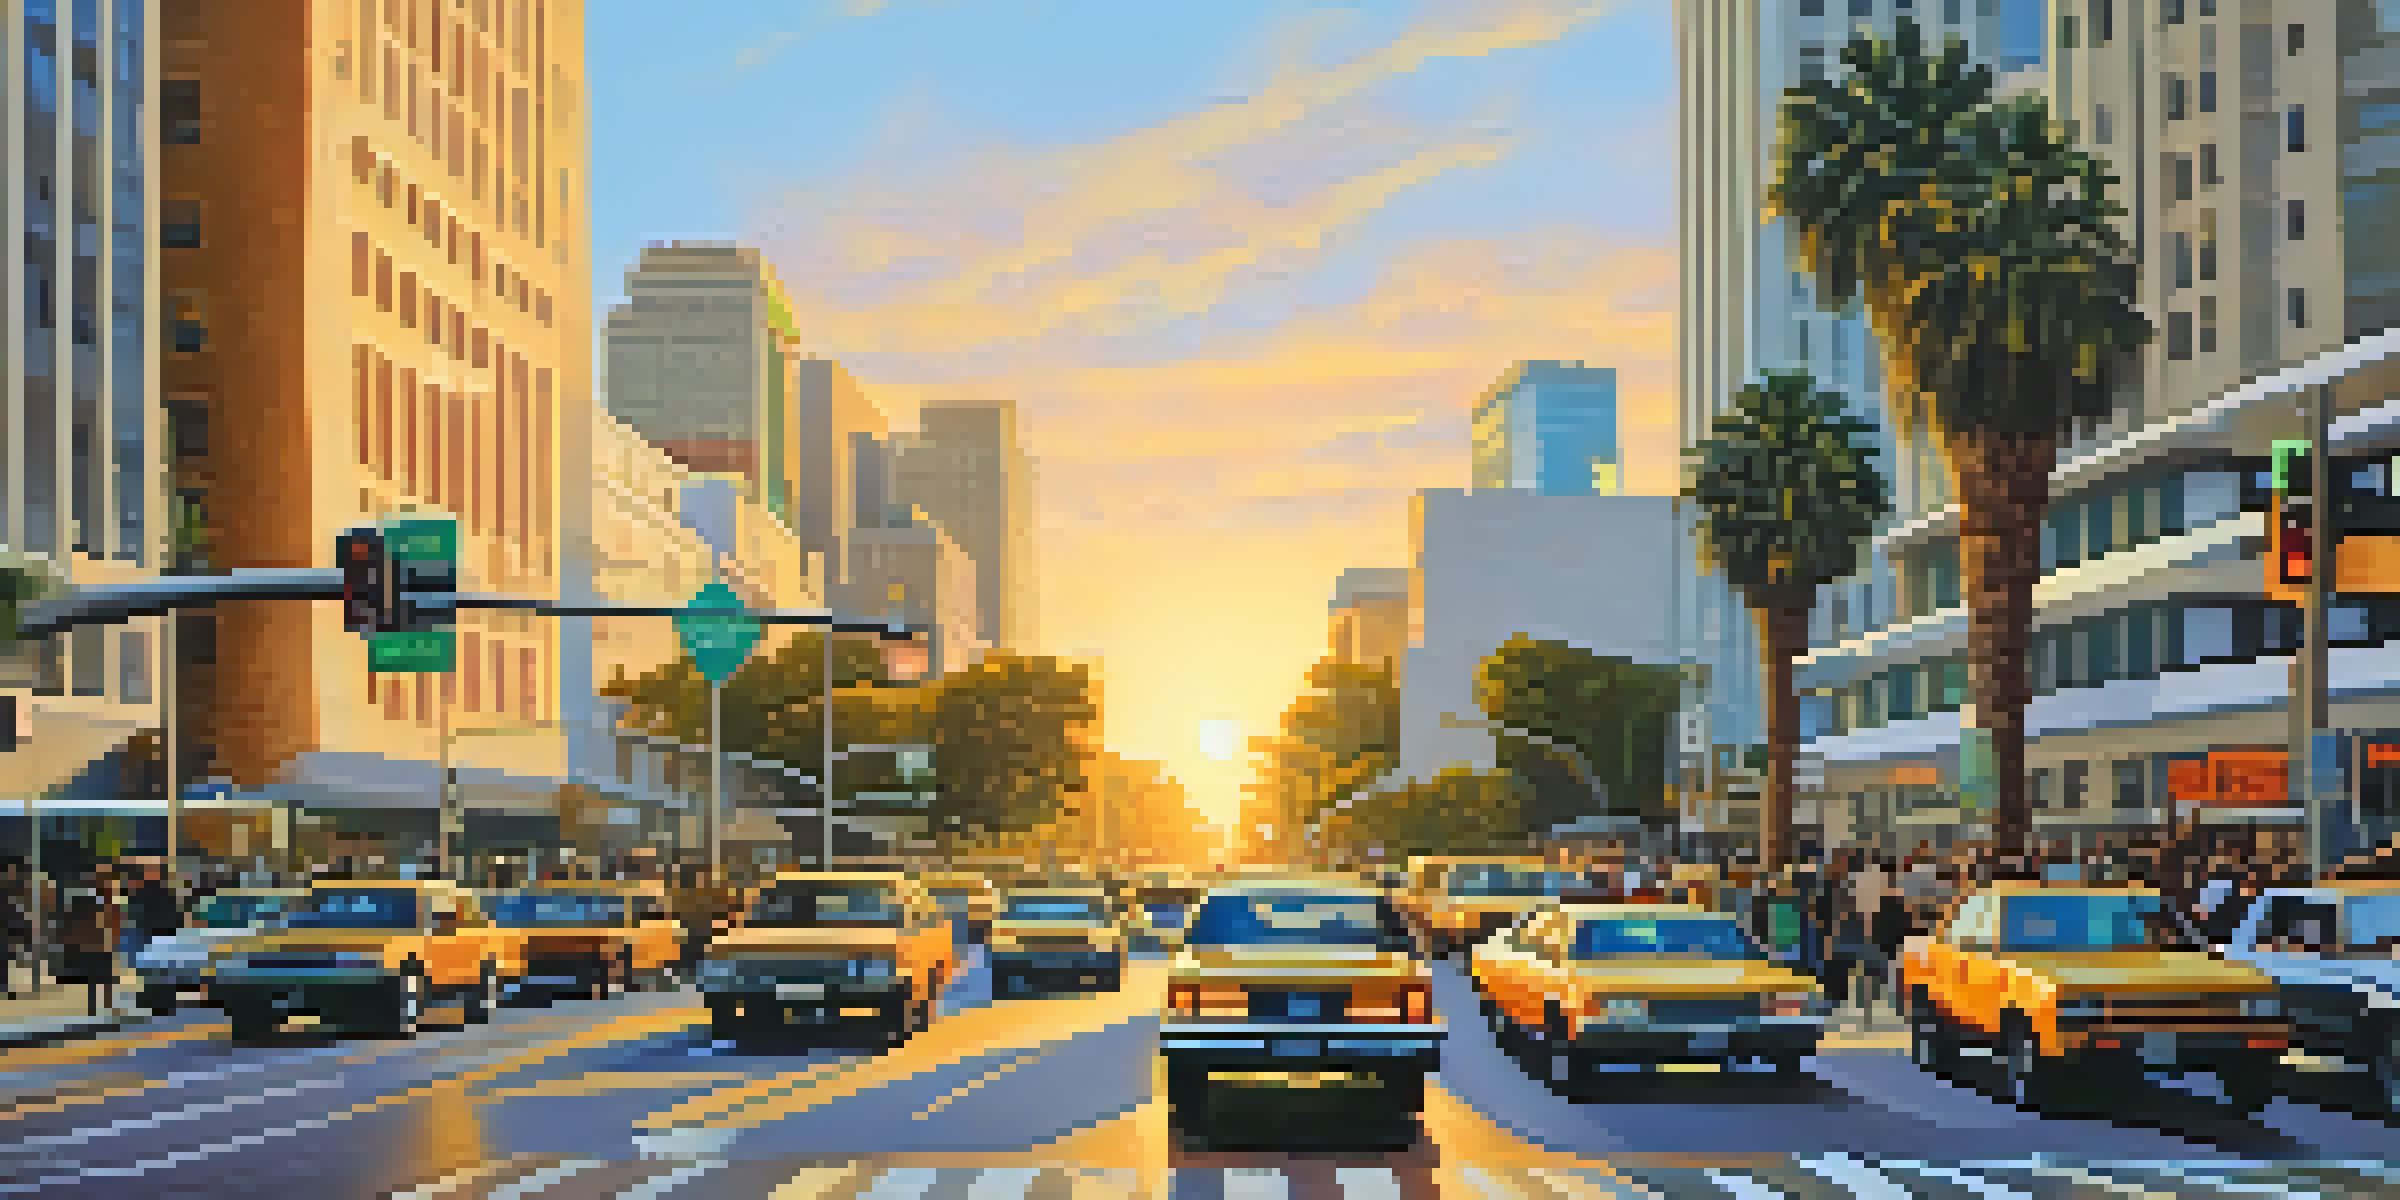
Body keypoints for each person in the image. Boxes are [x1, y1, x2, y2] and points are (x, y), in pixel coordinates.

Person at [58, 870, 123, 1016]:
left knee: (101, 978)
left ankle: (100, 1007)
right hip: (95, 945)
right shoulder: (91, 902)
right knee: (101, 977)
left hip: (96, 944)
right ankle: (101, 1007)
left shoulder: (90, 902)